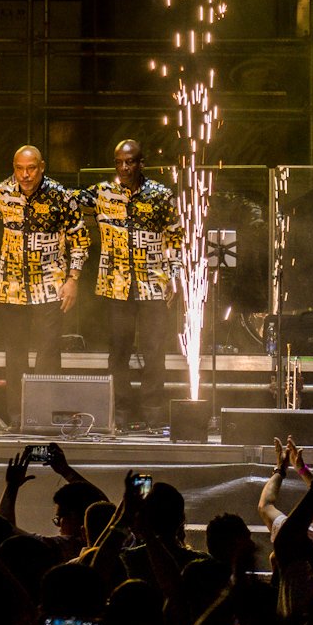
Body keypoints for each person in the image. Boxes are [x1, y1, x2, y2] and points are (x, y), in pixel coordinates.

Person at [79, 139, 184, 433]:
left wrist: (174, 275)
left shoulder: (160, 195)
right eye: (119, 162)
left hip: (152, 283)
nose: (124, 168)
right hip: (116, 284)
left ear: (141, 163)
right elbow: (65, 200)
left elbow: (174, 237)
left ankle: (153, 414)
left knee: (154, 351)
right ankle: (121, 412)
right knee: (119, 351)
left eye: (130, 162)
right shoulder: (102, 193)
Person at [0, 145, 90, 426]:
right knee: (15, 353)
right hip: (12, 285)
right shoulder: (3, 191)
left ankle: (45, 415)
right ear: (14, 167)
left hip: (49, 285)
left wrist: (73, 279)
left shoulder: (60, 195)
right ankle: (18, 417)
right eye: (20, 168)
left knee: (48, 353)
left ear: (42, 166)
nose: (25, 175)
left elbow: (79, 238)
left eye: (31, 168)